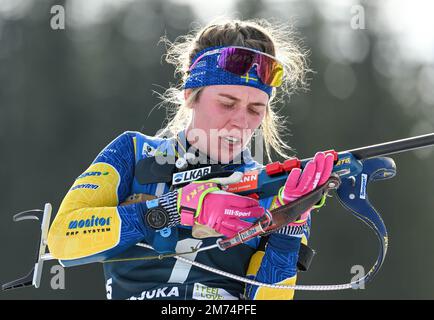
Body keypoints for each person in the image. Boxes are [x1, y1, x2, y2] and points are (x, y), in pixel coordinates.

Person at [47, 18, 334, 300]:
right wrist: (169, 210)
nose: (240, 122)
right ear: (189, 95)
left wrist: (289, 224)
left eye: (255, 109)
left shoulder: (277, 189)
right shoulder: (133, 152)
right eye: (227, 103)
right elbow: (62, 239)